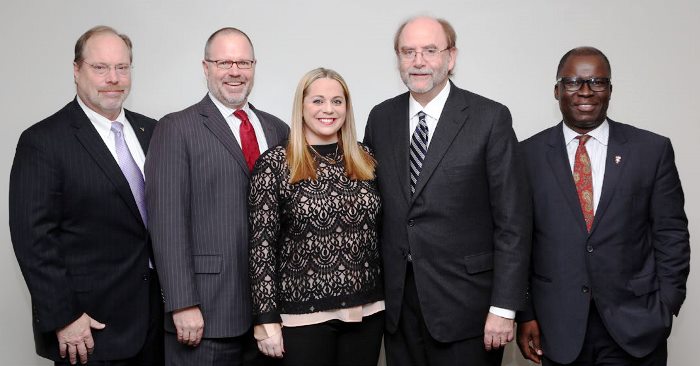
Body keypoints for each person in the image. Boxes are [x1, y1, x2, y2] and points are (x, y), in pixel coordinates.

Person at [363, 16, 531, 366]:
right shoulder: (381, 118)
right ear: (398, 59)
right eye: (408, 52)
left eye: (429, 50)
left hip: (468, 311)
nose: (418, 61)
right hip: (399, 310)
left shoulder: (490, 118)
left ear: (451, 58)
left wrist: (504, 307)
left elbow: (513, 222)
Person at [516, 46, 690, 366]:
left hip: (636, 324)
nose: (585, 91)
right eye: (573, 82)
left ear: (610, 90)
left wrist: (667, 304)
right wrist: (525, 313)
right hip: (558, 328)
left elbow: (671, 234)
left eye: (597, 82)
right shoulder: (525, 156)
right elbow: (519, 241)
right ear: (557, 91)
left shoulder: (651, 151)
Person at [9, 26, 163, 365]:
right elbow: (33, 239)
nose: (113, 78)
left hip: (157, 322)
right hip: (90, 328)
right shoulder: (44, 141)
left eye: (122, 68)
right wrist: (64, 317)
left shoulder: (152, 131)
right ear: (77, 70)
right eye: (100, 67)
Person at [145, 27, 289, 366]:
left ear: (254, 66)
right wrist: (182, 303)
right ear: (206, 67)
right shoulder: (176, 128)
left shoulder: (278, 129)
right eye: (224, 62)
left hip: (271, 315)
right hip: (204, 313)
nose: (235, 71)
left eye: (243, 62)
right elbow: (167, 221)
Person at [249, 67, 384, 366]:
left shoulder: (366, 158)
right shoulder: (275, 163)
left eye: (337, 101)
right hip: (301, 317)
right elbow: (261, 246)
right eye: (318, 100)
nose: (328, 109)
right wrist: (265, 320)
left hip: (368, 311)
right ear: (302, 106)